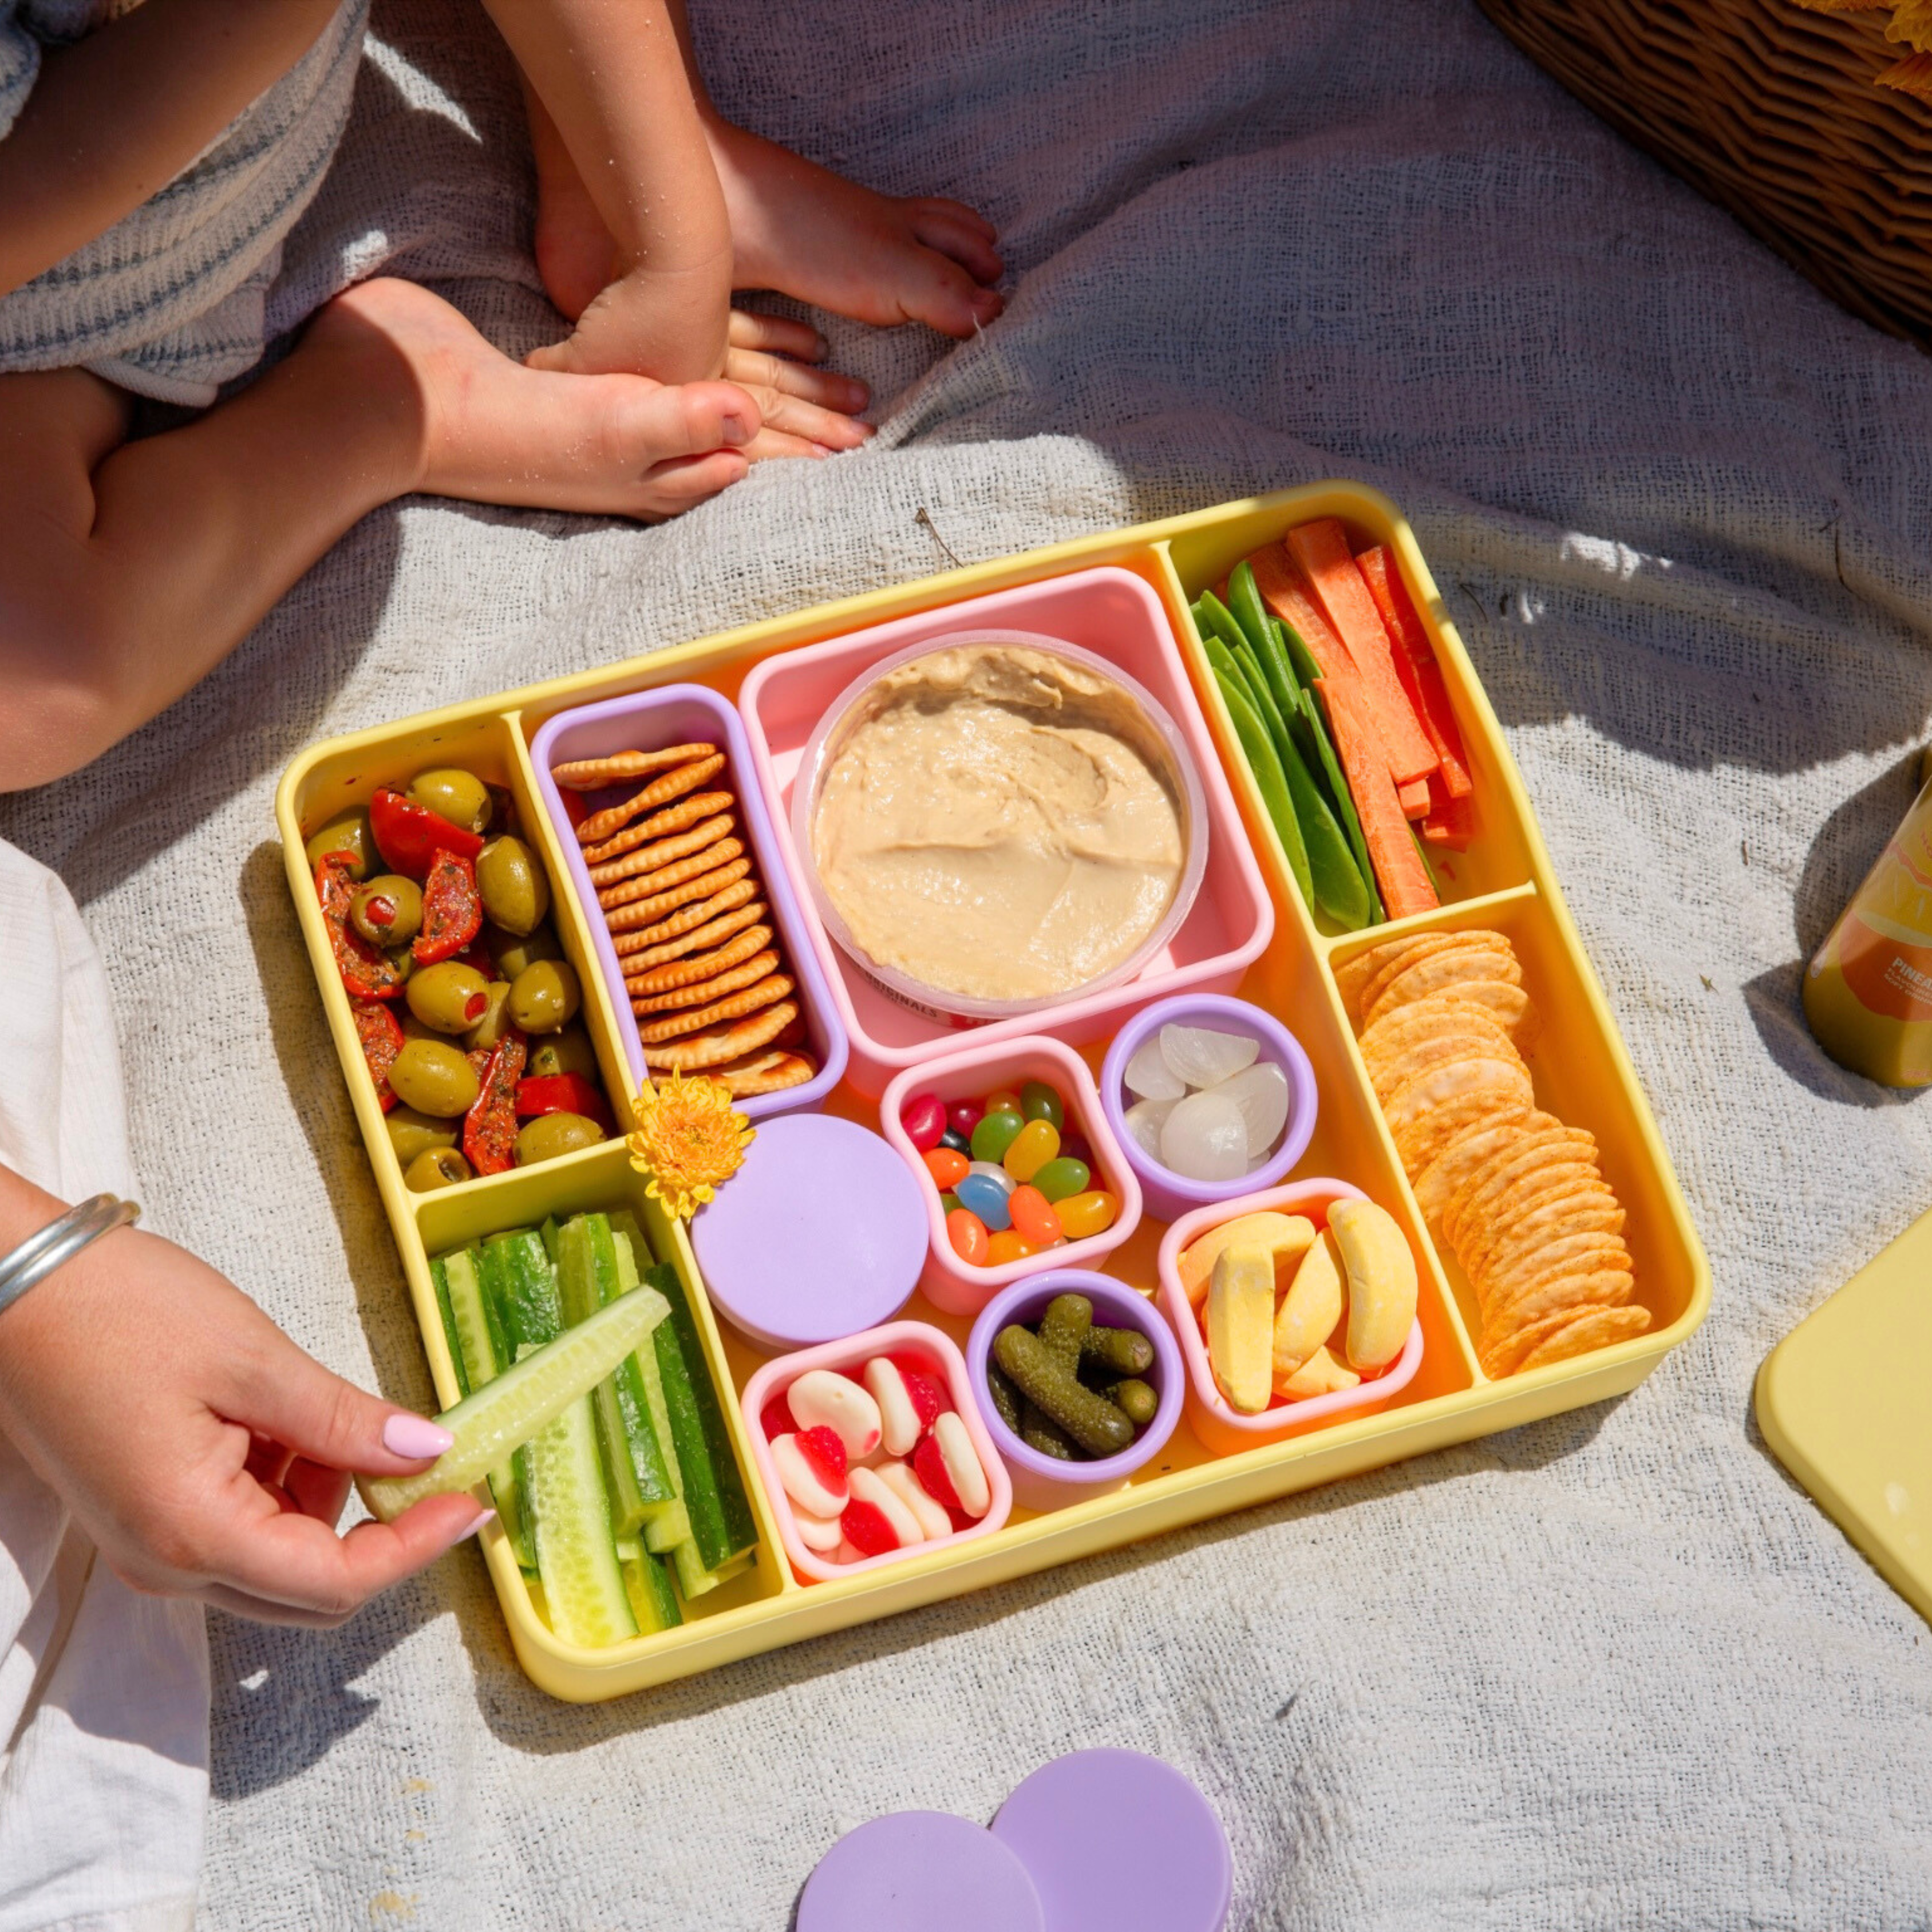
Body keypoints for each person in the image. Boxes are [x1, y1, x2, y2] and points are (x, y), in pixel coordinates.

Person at [0, 0, 1003, 793]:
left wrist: (672, 234)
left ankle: (643, 145)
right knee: (33, 691)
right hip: (66, 291)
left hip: (146, 178)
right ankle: (379, 410)